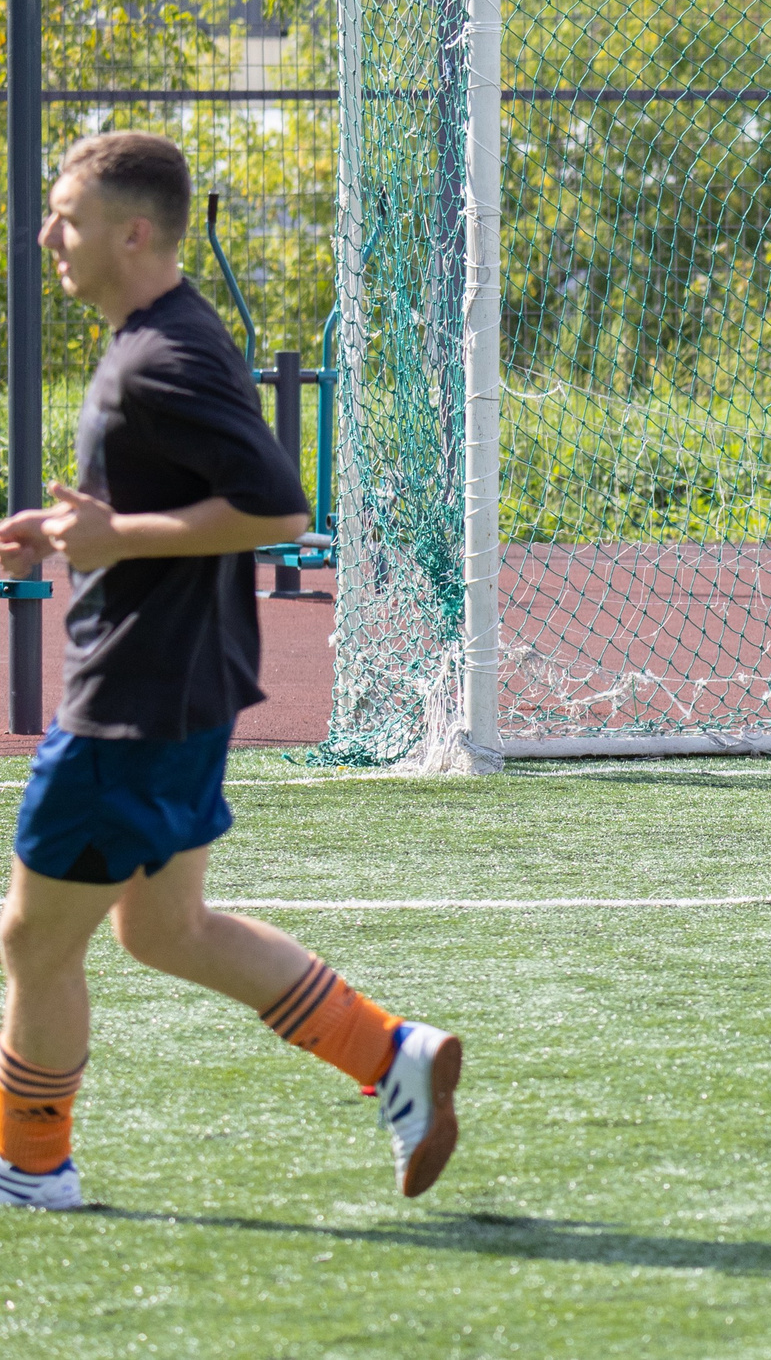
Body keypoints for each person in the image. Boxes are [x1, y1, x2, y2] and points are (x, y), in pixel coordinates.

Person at [0, 132, 462, 1212]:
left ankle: (30, 1167)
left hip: (136, 698)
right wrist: (76, 535)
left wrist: (120, 540)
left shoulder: (164, 355)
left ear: (134, 230)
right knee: (163, 928)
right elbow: (161, 505)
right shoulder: (157, 338)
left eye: (64, 216)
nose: (45, 236)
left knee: (32, 936)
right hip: (179, 685)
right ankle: (390, 1052)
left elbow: (278, 507)